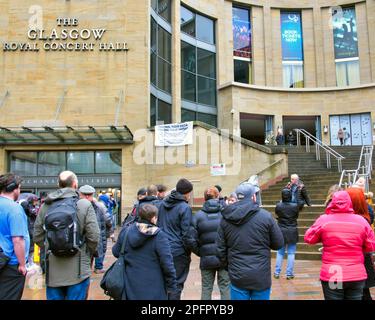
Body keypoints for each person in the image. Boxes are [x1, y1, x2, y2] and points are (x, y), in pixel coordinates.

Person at [33, 171, 100, 300]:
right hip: (78, 268)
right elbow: (94, 235)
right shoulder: (84, 204)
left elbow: (37, 235)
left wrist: (51, 246)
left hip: (53, 271)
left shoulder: (46, 205)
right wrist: (87, 252)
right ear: (75, 185)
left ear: (58, 184)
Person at [216, 182, 284, 300]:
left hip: (238, 275)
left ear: (237, 197)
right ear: (253, 197)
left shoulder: (226, 218)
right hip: (261, 275)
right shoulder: (266, 217)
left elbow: (220, 249)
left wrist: (229, 267)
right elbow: (278, 244)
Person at [304, 191, 375, 300]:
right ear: (349, 203)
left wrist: (323, 237)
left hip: (334, 273)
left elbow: (309, 238)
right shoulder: (361, 221)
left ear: (332, 202)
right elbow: (371, 245)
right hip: (356, 274)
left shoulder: (324, 220)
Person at [112, 204, 178, 300]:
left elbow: (116, 252)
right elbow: (167, 263)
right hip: (154, 284)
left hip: (130, 282)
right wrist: (172, 285)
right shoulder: (159, 235)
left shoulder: (126, 231)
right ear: (153, 218)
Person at [157, 178, 195, 300]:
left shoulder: (163, 204)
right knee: (176, 284)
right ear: (187, 193)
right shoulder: (185, 207)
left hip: (161, 248)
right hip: (178, 252)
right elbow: (187, 234)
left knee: (163, 283)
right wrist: (193, 250)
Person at [191, 187, 230, 300]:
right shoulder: (225, 214)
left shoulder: (198, 216)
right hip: (223, 257)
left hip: (206, 259)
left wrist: (201, 252)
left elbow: (190, 239)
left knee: (206, 288)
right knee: (225, 287)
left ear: (204, 198)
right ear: (218, 197)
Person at [0, 173, 29, 300]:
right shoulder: (14, 209)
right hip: (11, 265)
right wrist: (22, 264)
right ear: (14, 188)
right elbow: (18, 240)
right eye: (19, 187)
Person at [346, 178, 374, 300]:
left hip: (345, 265)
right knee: (363, 291)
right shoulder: (365, 217)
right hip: (361, 261)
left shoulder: (351, 219)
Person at [79, 185, 112, 274]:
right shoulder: (100, 205)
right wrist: (109, 230)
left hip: (82, 239)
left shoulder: (76, 205)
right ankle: (98, 267)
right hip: (96, 235)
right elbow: (108, 219)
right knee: (98, 249)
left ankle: (87, 269)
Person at [274, 189, 299, 280]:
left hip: (281, 230)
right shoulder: (295, 206)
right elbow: (296, 216)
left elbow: (277, 213)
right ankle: (289, 273)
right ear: (290, 196)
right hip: (292, 230)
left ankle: (277, 272)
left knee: (280, 253)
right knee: (291, 253)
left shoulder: (279, 205)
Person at [18, 193, 39, 264]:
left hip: (31, 229)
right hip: (29, 229)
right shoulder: (26, 206)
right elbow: (33, 213)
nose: (36, 202)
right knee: (29, 248)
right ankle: (28, 262)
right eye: (35, 200)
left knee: (31, 248)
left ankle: (29, 262)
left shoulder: (32, 207)